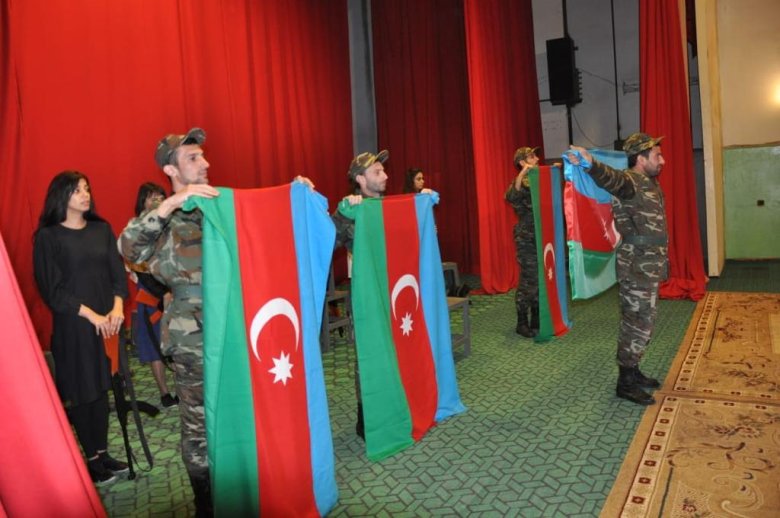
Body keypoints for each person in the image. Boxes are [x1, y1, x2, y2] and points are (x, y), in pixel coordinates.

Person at [119, 128, 313, 516]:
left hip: (239, 332)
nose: (205, 163)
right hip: (193, 341)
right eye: (193, 158)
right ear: (171, 170)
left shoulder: (221, 207)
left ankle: (249, 490)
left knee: (244, 411)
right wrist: (170, 204)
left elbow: (267, 226)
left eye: (203, 155)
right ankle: (206, 504)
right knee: (199, 426)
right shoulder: (164, 219)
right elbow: (127, 246)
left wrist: (294, 196)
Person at [33, 171, 129, 485]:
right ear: (61, 196)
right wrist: (92, 315)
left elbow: (118, 276)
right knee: (83, 392)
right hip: (75, 327)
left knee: (102, 389)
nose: (85, 195)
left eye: (87, 189)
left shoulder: (101, 230)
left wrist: (117, 307)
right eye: (77, 191)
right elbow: (52, 291)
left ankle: (102, 452)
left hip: (108, 325)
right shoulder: (48, 237)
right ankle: (91, 460)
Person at [566, 133, 667, 406]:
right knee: (636, 322)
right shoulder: (629, 181)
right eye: (657, 155)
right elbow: (610, 178)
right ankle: (625, 383)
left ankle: (633, 370)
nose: (662, 160)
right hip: (636, 267)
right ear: (641, 158)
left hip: (649, 265)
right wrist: (590, 163)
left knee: (643, 321)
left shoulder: (648, 182)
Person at [127, 182, 178, 409]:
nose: (157, 201)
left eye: (160, 196)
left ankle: (185, 389)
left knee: (179, 344)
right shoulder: (135, 228)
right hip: (150, 297)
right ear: (143, 201)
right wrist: (163, 293)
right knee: (154, 346)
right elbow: (138, 267)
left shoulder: (172, 224)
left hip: (177, 293)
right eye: (151, 197)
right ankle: (165, 392)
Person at [505, 146, 540, 338]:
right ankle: (521, 322)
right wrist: (523, 173)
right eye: (532, 156)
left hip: (541, 236)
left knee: (540, 277)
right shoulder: (520, 182)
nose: (537, 158)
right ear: (522, 162)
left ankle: (536, 316)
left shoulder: (537, 179)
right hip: (527, 238)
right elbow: (512, 196)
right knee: (529, 279)